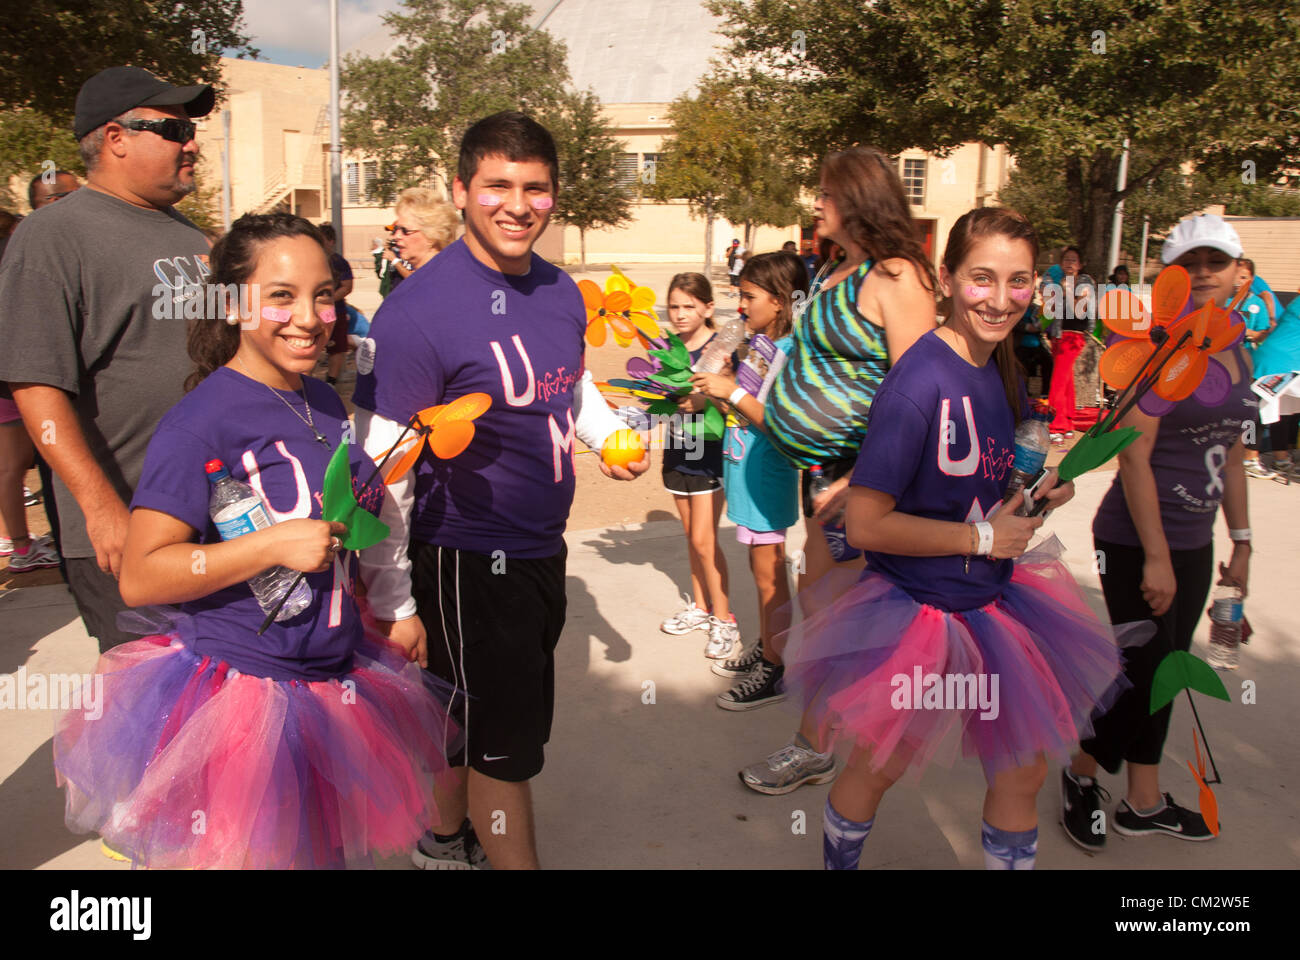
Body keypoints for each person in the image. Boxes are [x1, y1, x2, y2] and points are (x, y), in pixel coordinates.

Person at [53, 212, 457, 868]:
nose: (310, 316)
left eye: (323, 295)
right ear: (235, 306)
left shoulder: (322, 401)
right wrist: (268, 546)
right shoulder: (202, 423)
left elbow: (343, 520)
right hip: (245, 701)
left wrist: (387, 604)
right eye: (281, 295)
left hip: (332, 682)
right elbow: (143, 574)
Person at [779, 206, 1124, 870]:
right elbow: (867, 523)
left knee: (1021, 772)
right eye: (982, 278)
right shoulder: (918, 382)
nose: (1000, 300)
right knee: (881, 763)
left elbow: (990, 490)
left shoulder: (1002, 367)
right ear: (946, 278)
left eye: (1018, 281)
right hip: (919, 617)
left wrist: (1037, 494)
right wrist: (984, 538)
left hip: (996, 607)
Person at [352, 111, 648, 870]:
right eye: (498, 186)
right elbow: (383, 476)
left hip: (542, 550)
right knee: (505, 751)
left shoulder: (558, 291)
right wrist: (396, 604)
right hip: (467, 559)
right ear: (461, 191)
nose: (518, 205)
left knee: (457, 718)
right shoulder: (416, 313)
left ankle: (445, 840)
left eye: (537, 188)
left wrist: (604, 431)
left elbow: (566, 385)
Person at [742, 145, 937, 796]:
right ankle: (828, 741)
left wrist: (867, 481)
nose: (816, 204)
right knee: (828, 608)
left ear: (856, 200)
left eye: (825, 194)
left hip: (863, 478)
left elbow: (920, 390)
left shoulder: (897, 277)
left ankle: (826, 748)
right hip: (822, 473)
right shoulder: (833, 270)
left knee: (841, 615)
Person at [0, 66, 214, 652]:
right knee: (151, 703)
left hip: (213, 512)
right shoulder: (52, 236)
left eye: (191, 128)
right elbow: (35, 384)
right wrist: (101, 508)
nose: (191, 142)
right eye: (173, 129)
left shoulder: (189, 235)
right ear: (116, 138)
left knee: (219, 699)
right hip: (128, 522)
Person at [1063, 213, 1256, 851]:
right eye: (1190, 263)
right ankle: (1081, 775)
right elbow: (1133, 455)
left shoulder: (1236, 345)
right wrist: (1155, 557)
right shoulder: (1159, 348)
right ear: (1169, 274)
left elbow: (1230, 453)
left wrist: (1243, 542)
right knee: (1139, 669)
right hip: (1133, 539)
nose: (1203, 274)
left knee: (1167, 669)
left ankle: (1142, 802)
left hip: (1196, 543)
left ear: (1237, 273)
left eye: (1216, 262)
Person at [690, 251, 807, 708]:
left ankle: (775, 669)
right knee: (762, 574)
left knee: (769, 577)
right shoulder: (760, 347)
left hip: (767, 479)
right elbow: (742, 413)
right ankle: (767, 643)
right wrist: (718, 390)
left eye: (749, 297)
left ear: (779, 301)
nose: (742, 306)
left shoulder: (792, 352)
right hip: (745, 473)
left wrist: (731, 389)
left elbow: (779, 421)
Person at [657, 272, 737, 659]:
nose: (680, 313)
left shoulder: (722, 349)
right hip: (676, 450)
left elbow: (734, 400)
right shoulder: (666, 346)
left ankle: (725, 619)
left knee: (706, 541)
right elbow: (657, 398)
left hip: (709, 454)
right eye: (674, 306)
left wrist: (705, 401)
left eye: (689, 306)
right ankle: (702, 609)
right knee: (692, 538)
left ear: (708, 307)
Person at [1045, 246, 1095, 442]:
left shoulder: (1085, 282)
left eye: (1074, 260)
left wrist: (1065, 290)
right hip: (1058, 334)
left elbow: (1078, 310)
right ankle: (1067, 422)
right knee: (1065, 380)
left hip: (1073, 336)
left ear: (1080, 264)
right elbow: (1050, 308)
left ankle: (1056, 426)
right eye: (1066, 259)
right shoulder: (1056, 280)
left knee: (1057, 380)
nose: (1069, 263)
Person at [376, 187, 459, 299]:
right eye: (397, 229)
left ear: (432, 236)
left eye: (405, 230)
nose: (396, 236)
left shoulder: (443, 285)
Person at [317, 223, 354, 386]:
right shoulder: (308, 261)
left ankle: (331, 382)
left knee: (337, 347)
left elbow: (347, 286)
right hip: (312, 312)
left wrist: (328, 299)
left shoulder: (339, 262)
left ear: (331, 241)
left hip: (335, 312)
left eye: (321, 240)